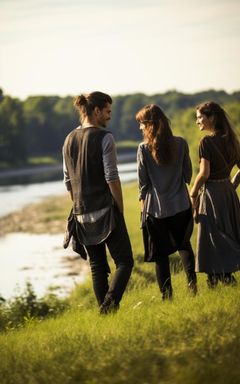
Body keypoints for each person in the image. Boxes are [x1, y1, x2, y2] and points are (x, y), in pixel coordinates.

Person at [62, 91, 133, 314]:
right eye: (107, 111)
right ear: (96, 111)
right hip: (105, 210)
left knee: (97, 267)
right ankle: (108, 307)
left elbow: (67, 181)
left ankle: (106, 313)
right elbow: (111, 176)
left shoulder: (68, 139)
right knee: (125, 262)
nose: (109, 116)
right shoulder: (105, 137)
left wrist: (78, 206)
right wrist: (119, 208)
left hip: (81, 213)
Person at [136, 104, 197, 300]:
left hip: (156, 209)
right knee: (184, 245)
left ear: (149, 124)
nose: (140, 128)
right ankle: (192, 285)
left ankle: (167, 296)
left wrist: (142, 209)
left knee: (160, 255)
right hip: (181, 204)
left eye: (141, 124)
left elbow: (143, 183)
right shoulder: (181, 143)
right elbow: (188, 174)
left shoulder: (143, 149)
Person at [190, 101, 240, 288]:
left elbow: (204, 173)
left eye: (200, 117)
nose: (197, 122)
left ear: (212, 118)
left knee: (212, 235)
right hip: (227, 193)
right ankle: (220, 277)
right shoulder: (232, 140)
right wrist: (231, 185)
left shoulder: (207, 142)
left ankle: (219, 278)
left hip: (211, 194)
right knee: (226, 233)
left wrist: (193, 193)